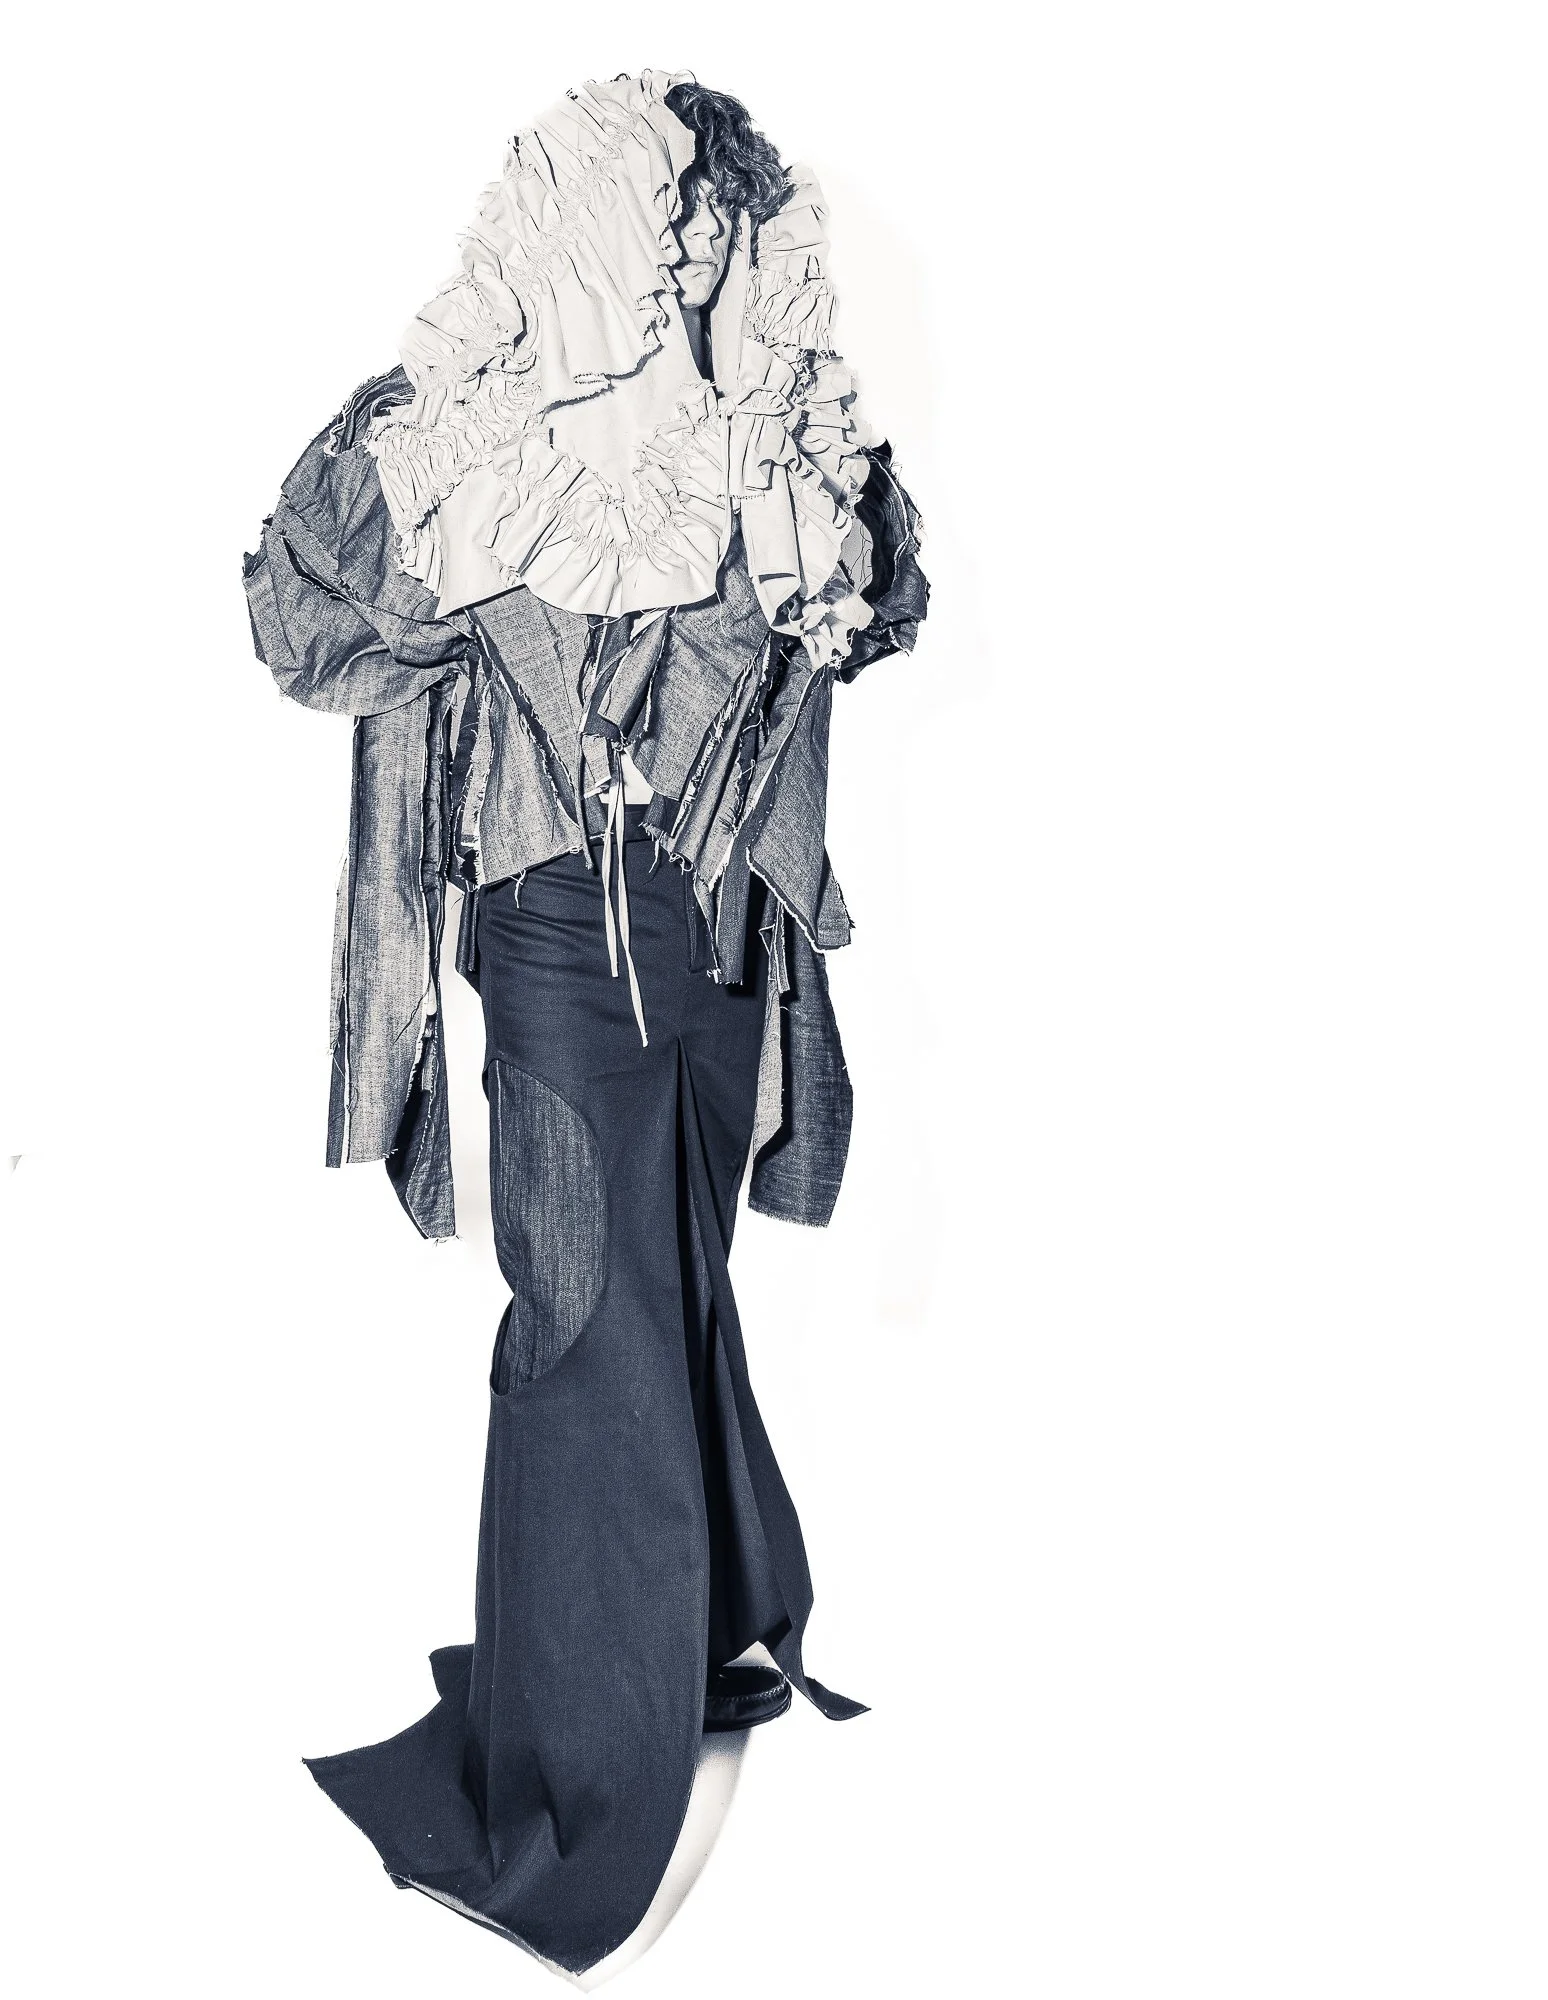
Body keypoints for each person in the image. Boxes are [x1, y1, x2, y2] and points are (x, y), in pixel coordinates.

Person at [242, 68, 929, 1976]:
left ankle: (680, 1632)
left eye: (721, 228)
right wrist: (444, 433)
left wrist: (811, 524)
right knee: (582, 1327)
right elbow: (303, 626)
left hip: (710, 938)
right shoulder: (467, 424)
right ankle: (567, 1789)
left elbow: (885, 600)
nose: (692, 260)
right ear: (594, 226)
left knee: (671, 1285)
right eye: (669, 220)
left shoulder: (766, 423)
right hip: (557, 927)